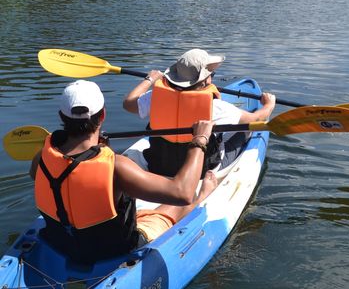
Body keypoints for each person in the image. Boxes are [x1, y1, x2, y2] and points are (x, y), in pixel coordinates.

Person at [29, 80, 217, 263]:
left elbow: (44, 176)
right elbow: (181, 192)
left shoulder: (42, 157)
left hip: (61, 244)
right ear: (102, 115)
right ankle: (202, 198)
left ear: (62, 117)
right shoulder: (117, 166)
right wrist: (200, 139)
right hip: (114, 252)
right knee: (186, 199)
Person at [123, 48, 276, 177]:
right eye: (211, 75)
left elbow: (128, 104)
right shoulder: (216, 107)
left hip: (159, 165)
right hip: (201, 171)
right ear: (205, 81)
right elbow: (256, 118)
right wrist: (269, 105)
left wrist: (150, 79)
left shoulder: (154, 97)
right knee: (244, 130)